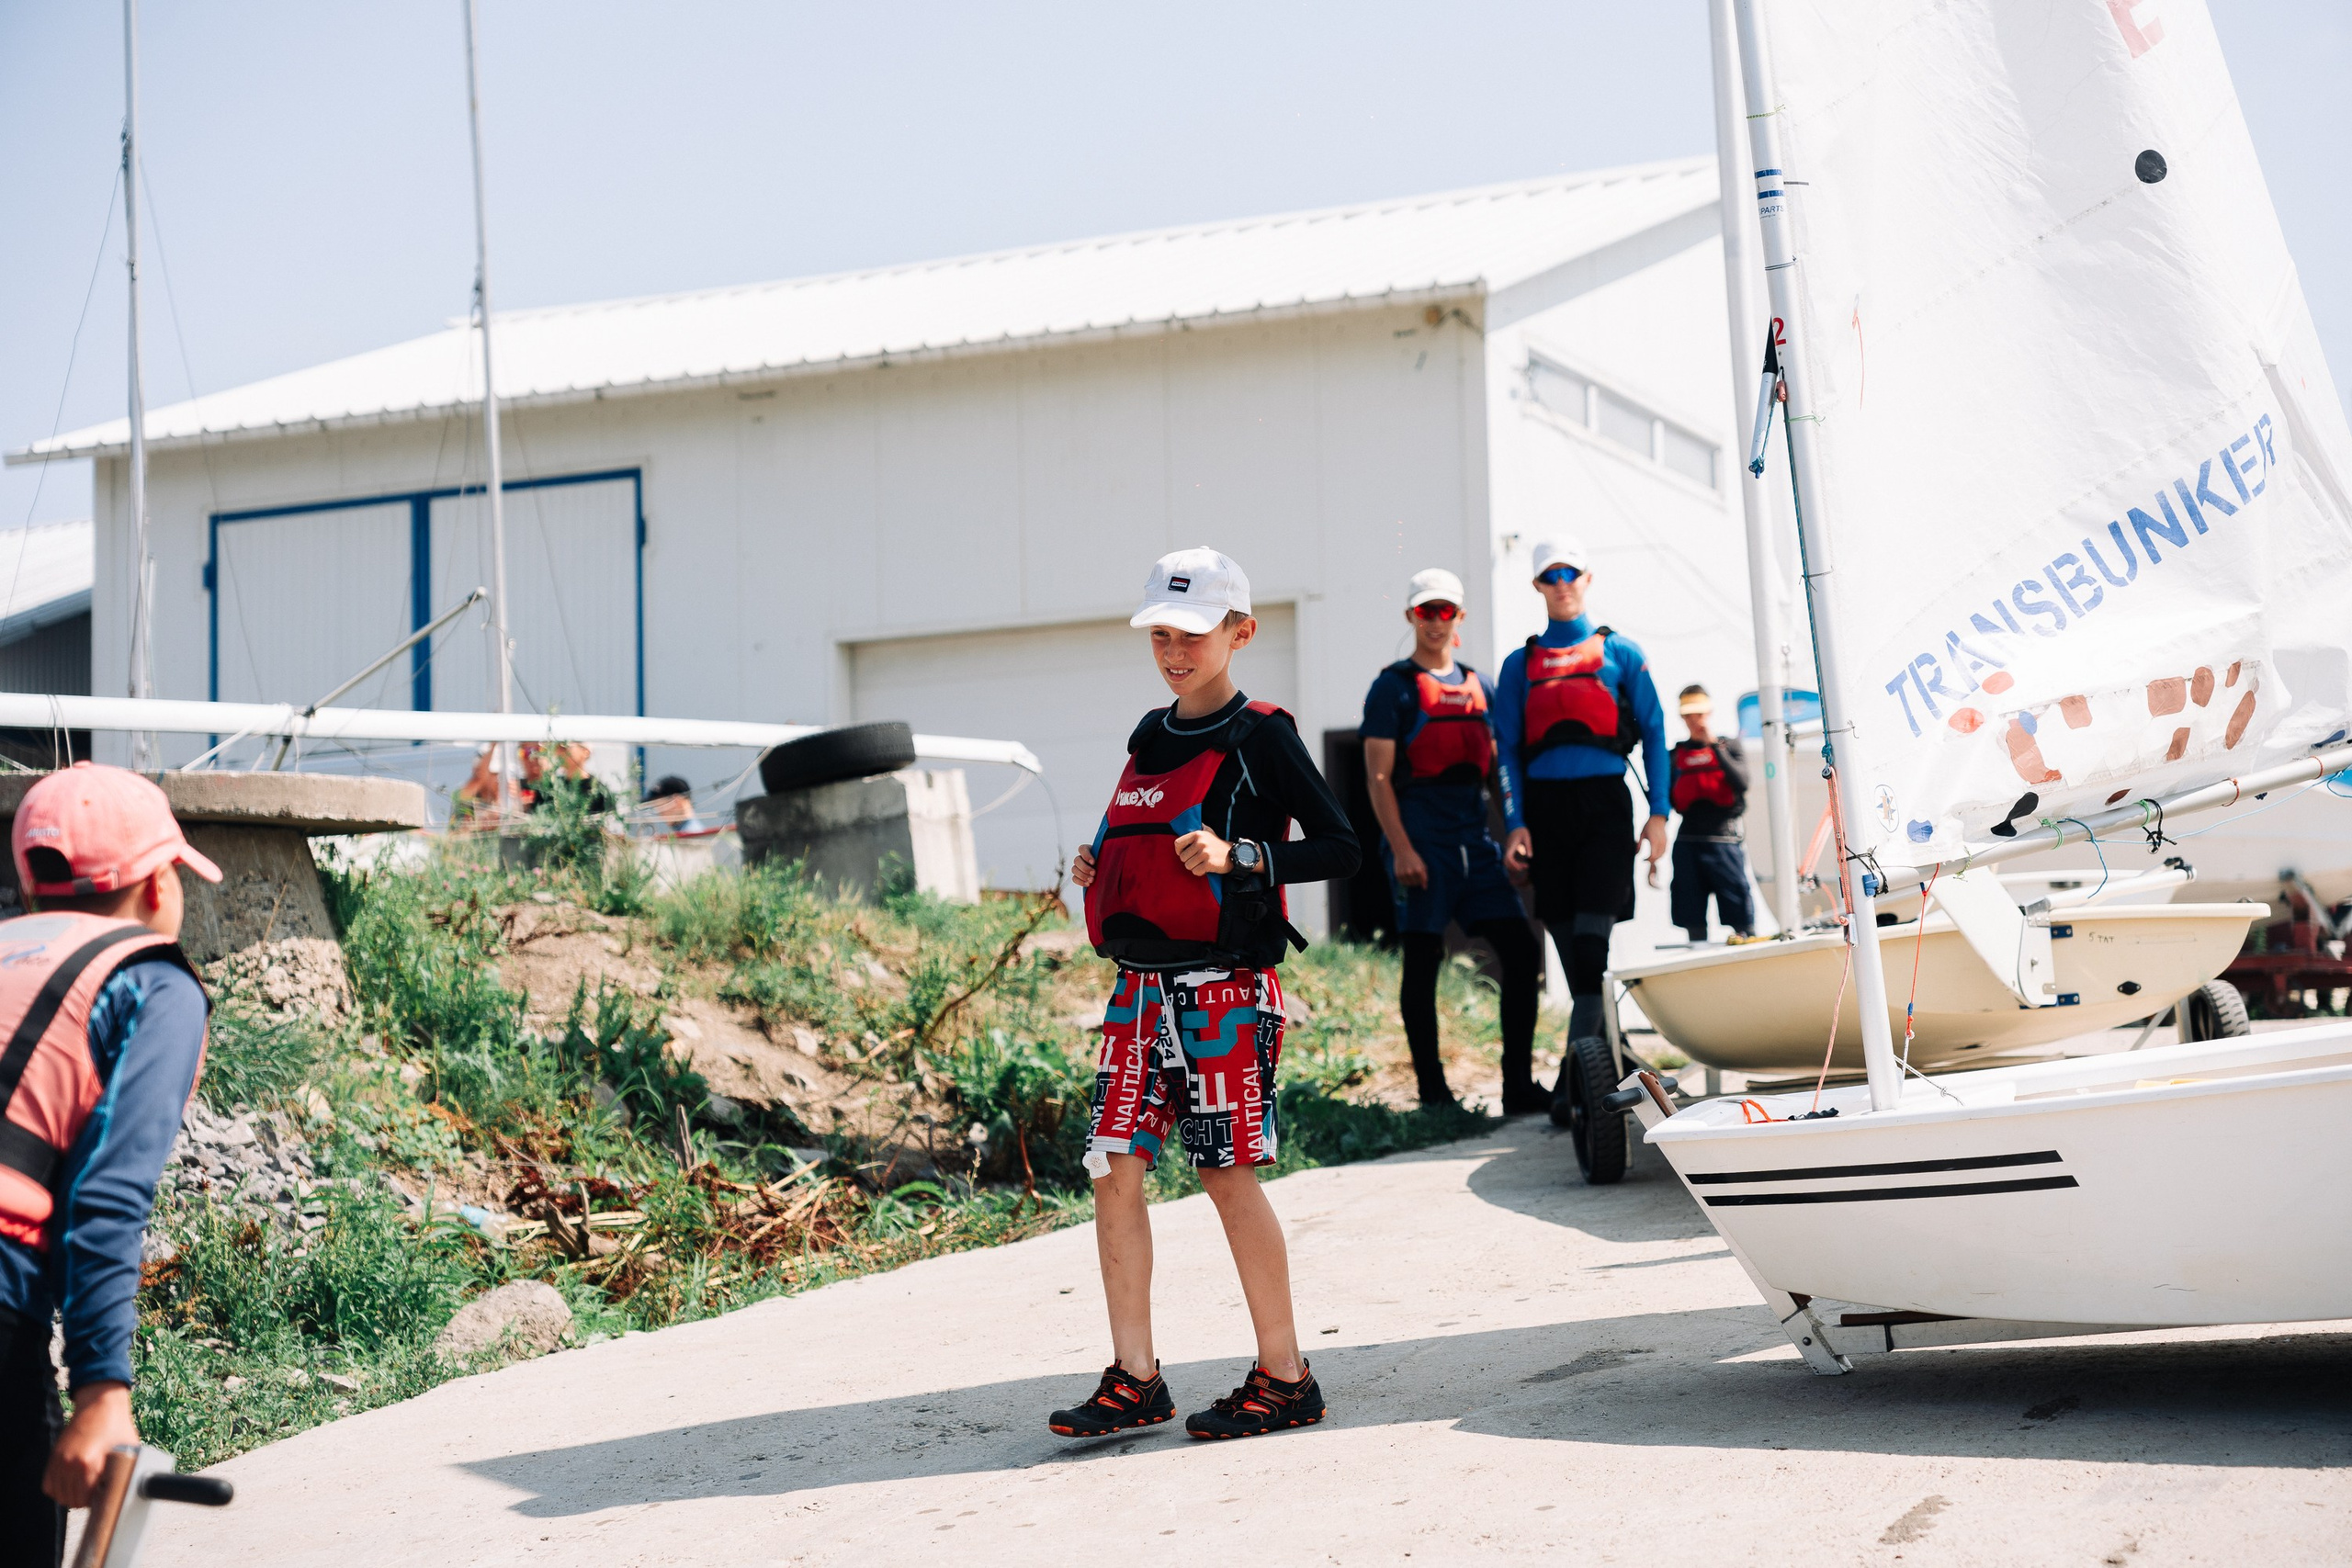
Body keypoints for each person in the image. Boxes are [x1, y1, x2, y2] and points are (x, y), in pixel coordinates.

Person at [1060, 546, 1359, 1443]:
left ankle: (1285, 1377)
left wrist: (1248, 856)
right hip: (1137, 993)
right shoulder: (1148, 734)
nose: (1175, 651)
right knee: (1113, 1166)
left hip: (1226, 992)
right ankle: (1134, 1378)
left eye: (1192, 634)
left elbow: (1344, 849)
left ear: (1240, 632)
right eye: (1161, 633)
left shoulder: (1264, 734)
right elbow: (1139, 839)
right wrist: (1094, 860)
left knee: (1225, 1176)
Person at [0, 763, 216, 1561]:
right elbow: (107, 1197)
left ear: (30, 891)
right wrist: (101, 1394)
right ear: (161, 888)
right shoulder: (150, 979)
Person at [1490, 540, 1669, 1125]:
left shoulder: (1621, 652)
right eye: (1550, 575)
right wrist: (1516, 823)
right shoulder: (1520, 665)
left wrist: (1660, 813)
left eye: (1570, 573)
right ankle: (1602, 1062)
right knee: (1573, 954)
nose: (1561, 582)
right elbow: (1507, 753)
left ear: (1587, 578)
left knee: (1591, 944)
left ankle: (1574, 1089)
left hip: (1605, 809)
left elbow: (1657, 734)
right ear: (1538, 586)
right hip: (1546, 813)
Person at [1358, 568, 1544, 1111]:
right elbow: (1378, 778)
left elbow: (1498, 769)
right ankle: (1435, 1096)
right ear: (1411, 617)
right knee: (1422, 962)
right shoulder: (1392, 687)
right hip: (1421, 840)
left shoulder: (1481, 686)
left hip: (1474, 842)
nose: (1435, 621)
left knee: (1521, 948)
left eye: (1445, 611)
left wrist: (1513, 831)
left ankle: (1518, 1087)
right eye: (1425, 611)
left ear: (1458, 617)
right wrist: (1402, 848)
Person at [1667, 685, 1757, 944]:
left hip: (1724, 839)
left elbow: (1742, 782)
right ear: (1682, 717)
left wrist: (1714, 746)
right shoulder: (1675, 755)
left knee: (1740, 915)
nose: (1695, 721)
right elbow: (1666, 797)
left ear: (1709, 712)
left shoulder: (1729, 746)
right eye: (1688, 715)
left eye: (1699, 714)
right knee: (1691, 917)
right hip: (1688, 842)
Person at [640, 775, 704, 835]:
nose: (659, 812)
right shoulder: (683, 831)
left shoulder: (691, 834)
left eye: (660, 806)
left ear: (677, 801)